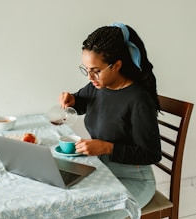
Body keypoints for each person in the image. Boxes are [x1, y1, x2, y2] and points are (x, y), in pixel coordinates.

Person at [59, 22, 162, 219]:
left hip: (133, 179)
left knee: (84, 216)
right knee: (61, 204)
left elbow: (151, 153)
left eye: (96, 70)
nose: (90, 77)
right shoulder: (99, 86)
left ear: (117, 65)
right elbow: (81, 101)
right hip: (102, 170)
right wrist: (71, 99)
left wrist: (107, 148)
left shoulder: (138, 99)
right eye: (86, 69)